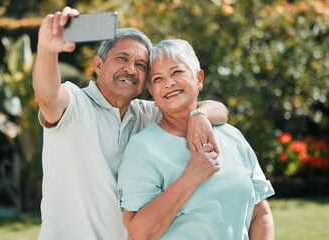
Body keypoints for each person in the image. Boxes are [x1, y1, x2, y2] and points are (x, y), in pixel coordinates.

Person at [32, 7, 228, 240]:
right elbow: (47, 95)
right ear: (98, 65)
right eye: (122, 59)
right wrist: (46, 49)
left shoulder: (146, 113)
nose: (130, 69)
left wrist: (200, 115)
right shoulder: (75, 103)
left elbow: (219, 109)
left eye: (141, 65)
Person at [117, 39, 275, 240]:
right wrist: (189, 178)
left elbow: (260, 214)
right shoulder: (143, 148)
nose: (169, 83)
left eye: (176, 72)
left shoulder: (232, 136)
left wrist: (199, 115)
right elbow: (140, 233)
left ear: (199, 79)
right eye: (157, 79)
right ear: (152, 93)